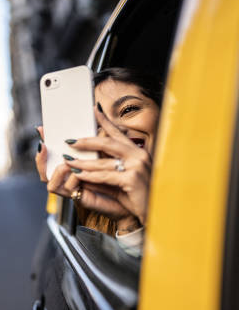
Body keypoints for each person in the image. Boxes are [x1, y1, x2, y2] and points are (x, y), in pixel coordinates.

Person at [35, 67, 162, 255]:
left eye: (129, 110)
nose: (113, 130)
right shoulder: (100, 214)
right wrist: (127, 221)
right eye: (95, 127)